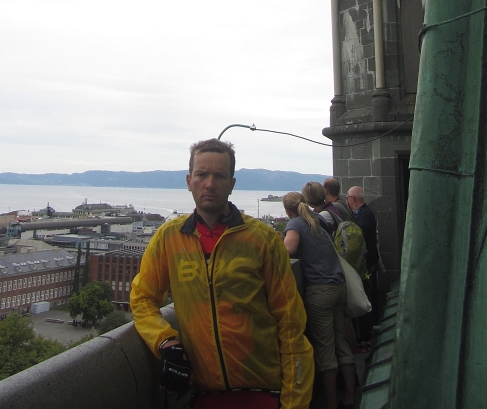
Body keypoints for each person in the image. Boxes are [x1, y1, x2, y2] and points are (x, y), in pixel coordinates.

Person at [130, 139, 315, 409]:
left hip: (265, 393)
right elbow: (142, 299)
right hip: (204, 396)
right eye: (201, 175)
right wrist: (165, 341)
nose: (210, 184)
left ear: (232, 184)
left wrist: (293, 403)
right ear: (189, 181)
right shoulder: (169, 238)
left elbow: (291, 325)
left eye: (219, 176)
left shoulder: (262, 240)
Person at [283, 185, 356, 409]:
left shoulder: (295, 224)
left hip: (320, 291)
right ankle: (351, 396)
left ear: (287, 211)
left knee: (325, 350)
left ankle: (331, 404)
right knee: (341, 343)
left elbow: (288, 250)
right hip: (338, 286)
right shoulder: (318, 219)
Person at [346, 186, 379, 345]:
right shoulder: (365, 213)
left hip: (367, 262)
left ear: (352, 199)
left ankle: (367, 333)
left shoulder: (364, 215)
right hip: (369, 260)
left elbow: (360, 239)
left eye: (348, 198)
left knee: (366, 295)